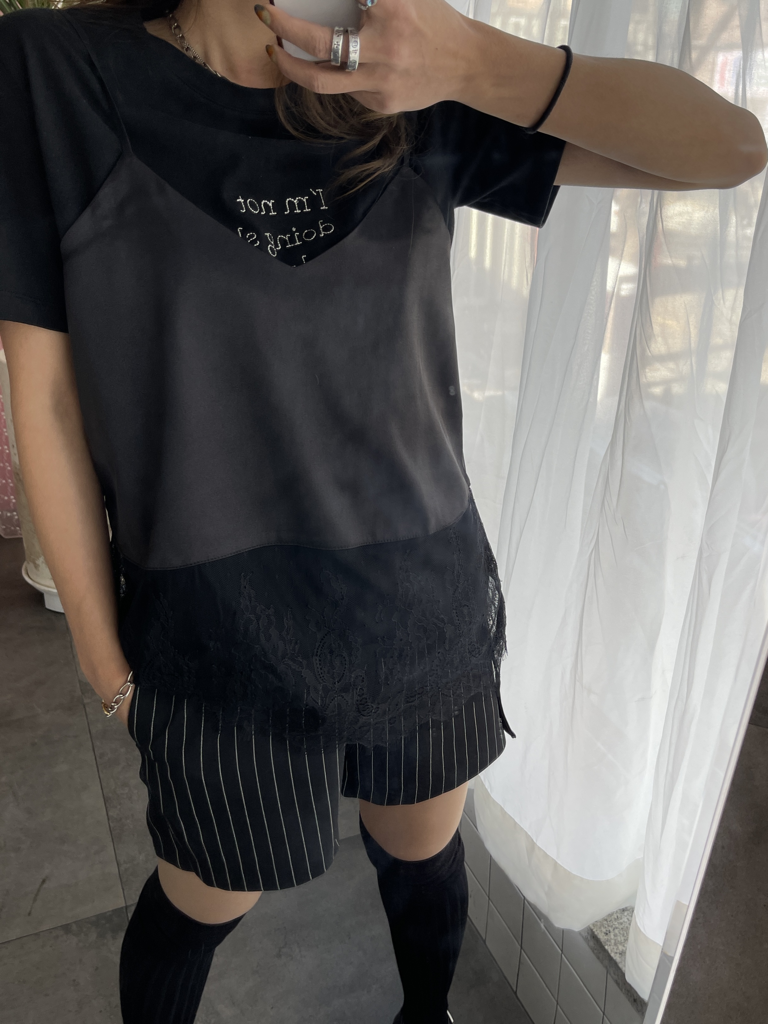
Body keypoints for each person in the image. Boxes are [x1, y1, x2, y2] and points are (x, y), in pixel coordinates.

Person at [1, 0, 763, 1021]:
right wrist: (106, 667)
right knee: (203, 899)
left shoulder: (419, 77)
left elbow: (729, 148)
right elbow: (46, 394)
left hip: (422, 611)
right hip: (210, 642)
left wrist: (474, 61)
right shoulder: (54, 72)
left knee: (423, 852)